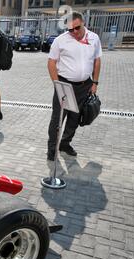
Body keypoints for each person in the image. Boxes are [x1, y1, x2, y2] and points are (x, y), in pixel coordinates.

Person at [46, 11, 101, 161]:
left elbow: (97, 60)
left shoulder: (94, 38)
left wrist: (95, 83)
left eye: (77, 28)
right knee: (58, 119)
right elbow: (51, 63)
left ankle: (65, 143)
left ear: (83, 23)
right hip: (65, 84)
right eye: (70, 29)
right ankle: (52, 150)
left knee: (75, 119)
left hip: (85, 86)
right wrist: (58, 85)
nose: (74, 32)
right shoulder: (61, 40)